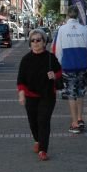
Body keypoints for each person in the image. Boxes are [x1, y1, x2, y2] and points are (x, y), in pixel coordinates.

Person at [17, 29, 62, 161]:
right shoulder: (25, 60)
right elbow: (21, 80)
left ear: (44, 42)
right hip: (30, 95)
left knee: (43, 121)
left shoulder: (50, 57)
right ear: (30, 43)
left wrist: (55, 75)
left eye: (38, 40)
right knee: (33, 122)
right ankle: (37, 140)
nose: (36, 42)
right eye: (33, 40)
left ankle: (43, 149)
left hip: (48, 95)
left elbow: (60, 72)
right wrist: (21, 94)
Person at [54, 6, 87, 134]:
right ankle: (80, 118)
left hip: (68, 65)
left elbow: (58, 49)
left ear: (67, 15)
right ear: (77, 16)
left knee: (71, 94)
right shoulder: (84, 29)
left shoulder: (62, 29)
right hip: (82, 65)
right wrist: (85, 61)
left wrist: (59, 63)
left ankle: (75, 122)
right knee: (80, 92)